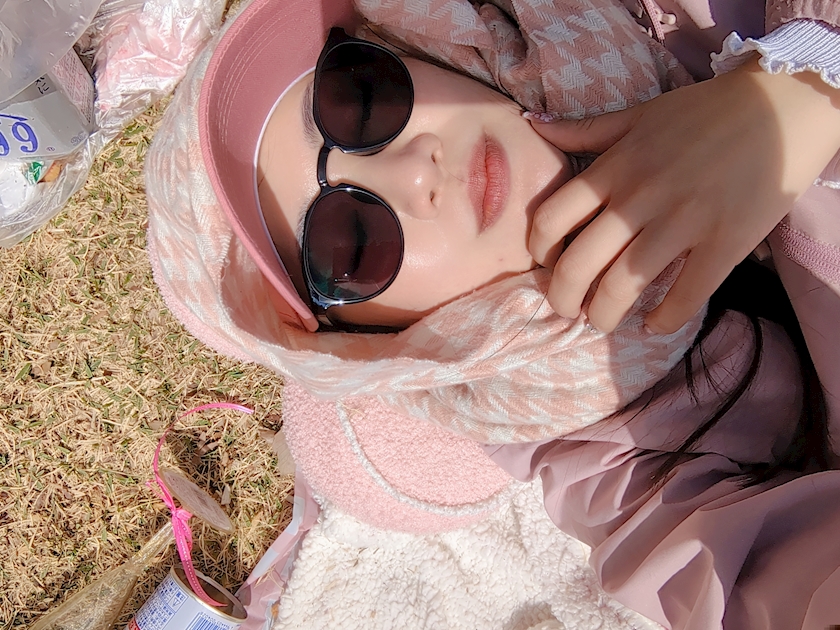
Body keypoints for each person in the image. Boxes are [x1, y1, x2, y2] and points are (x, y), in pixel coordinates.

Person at [143, 0, 840, 628]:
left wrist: (804, 78)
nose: (415, 170)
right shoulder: (608, 454)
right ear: (369, 343)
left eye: (361, 100)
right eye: (349, 243)